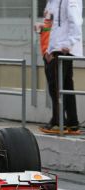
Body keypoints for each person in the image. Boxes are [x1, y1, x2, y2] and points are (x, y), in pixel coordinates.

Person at [39, 0, 83, 134]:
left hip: (62, 47)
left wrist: (69, 43)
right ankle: (72, 122)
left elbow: (75, 20)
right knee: (66, 85)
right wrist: (47, 48)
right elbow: (51, 25)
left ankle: (58, 122)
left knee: (56, 86)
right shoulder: (52, 2)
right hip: (55, 47)